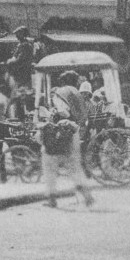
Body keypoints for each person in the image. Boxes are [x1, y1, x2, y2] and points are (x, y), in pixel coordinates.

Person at [40, 71, 94, 209]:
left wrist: (53, 113)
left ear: (62, 81)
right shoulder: (77, 93)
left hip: (61, 130)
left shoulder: (60, 92)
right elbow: (83, 116)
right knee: (74, 166)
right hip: (74, 131)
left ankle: (51, 198)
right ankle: (87, 196)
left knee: (49, 165)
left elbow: (64, 112)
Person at [3, 27, 35, 94]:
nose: (16, 36)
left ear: (23, 34)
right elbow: (15, 56)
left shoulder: (25, 45)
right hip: (19, 72)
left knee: (20, 91)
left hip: (22, 72)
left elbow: (20, 59)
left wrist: (9, 62)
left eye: (18, 34)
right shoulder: (20, 45)